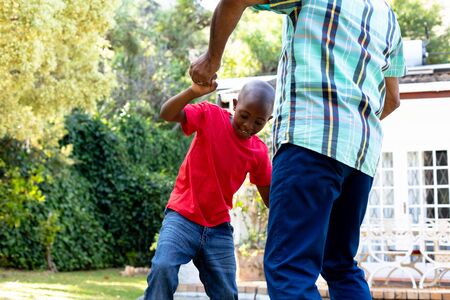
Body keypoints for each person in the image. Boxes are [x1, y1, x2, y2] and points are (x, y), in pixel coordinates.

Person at [189, 0, 406, 299]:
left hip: (310, 143)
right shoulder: (388, 17)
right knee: (341, 266)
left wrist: (211, 60)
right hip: (360, 156)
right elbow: (392, 99)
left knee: (290, 266)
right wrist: (350, 124)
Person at [143, 78, 275, 300]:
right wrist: (193, 91)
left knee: (226, 293)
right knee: (163, 268)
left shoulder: (259, 152)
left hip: (218, 228)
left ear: (268, 120)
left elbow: (271, 199)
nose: (248, 126)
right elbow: (167, 113)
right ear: (234, 104)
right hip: (182, 218)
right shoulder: (210, 115)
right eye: (244, 116)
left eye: (258, 122)